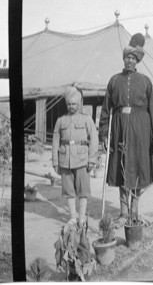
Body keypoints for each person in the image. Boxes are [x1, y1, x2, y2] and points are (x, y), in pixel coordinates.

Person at [99, 33, 153, 227]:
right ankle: (123, 212)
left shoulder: (145, 82)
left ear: (138, 61)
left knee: (137, 168)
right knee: (120, 167)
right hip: (119, 128)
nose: (130, 60)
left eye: (134, 58)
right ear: (124, 58)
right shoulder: (114, 81)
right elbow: (105, 111)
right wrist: (104, 133)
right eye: (128, 57)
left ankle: (134, 211)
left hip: (140, 131)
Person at [52, 87, 98, 228]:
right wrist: (55, 161)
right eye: (68, 104)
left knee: (83, 190)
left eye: (74, 104)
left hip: (82, 160)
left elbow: (94, 139)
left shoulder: (86, 119)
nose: (71, 107)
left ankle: (82, 218)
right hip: (65, 160)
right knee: (68, 190)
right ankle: (73, 217)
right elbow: (55, 140)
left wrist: (92, 159)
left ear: (79, 104)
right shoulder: (61, 120)